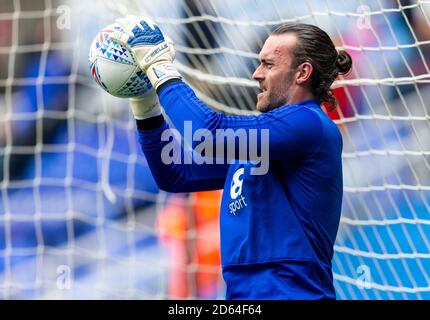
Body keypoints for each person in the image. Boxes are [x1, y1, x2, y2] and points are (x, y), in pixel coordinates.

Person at [110, 17, 352, 299]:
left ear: (303, 72)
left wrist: (159, 67)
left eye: (268, 64)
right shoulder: (265, 141)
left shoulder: (310, 124)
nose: (256, 74)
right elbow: (175, 172)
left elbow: (207, 134)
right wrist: (145, 105)